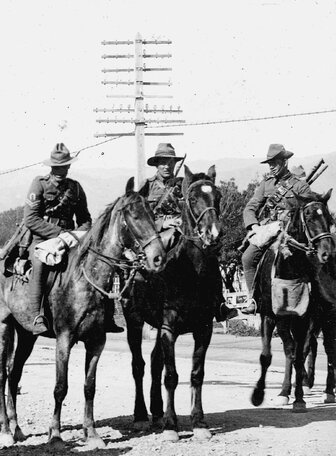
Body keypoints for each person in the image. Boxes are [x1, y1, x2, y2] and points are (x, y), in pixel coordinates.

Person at [16, 144, 121, 335]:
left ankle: (106, 314)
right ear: (51, 167)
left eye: (63, 167)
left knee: (99, 261)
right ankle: (35, 314)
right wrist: (59, 234)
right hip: (42, 239)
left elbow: (85, 219)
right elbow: (31, 219)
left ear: (69, 167)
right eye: (56, 167)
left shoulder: (76, 188)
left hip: (70, 239)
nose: (60, 171)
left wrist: (77, 234)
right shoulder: (39, 184)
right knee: (40, 263)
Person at [142, 143, 237, 322]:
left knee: (208, 255)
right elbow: (141, 218)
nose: (166, 166)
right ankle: (150, 299)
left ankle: (219, 303)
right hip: (159, 233)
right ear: (156, 164)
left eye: (169, 162)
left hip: (185, 231)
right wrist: (165, 222)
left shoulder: (183, 185)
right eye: (162, 162)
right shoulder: (147, 187)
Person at [241, 143, 323, 314]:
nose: (271, 167)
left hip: (293, 233)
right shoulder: (266, 184)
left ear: (284, 162)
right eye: (269, 163)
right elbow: (250, 207)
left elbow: (311, 211)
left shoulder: (299, 185)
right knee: (248, 258)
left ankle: (320, 299)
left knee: (316, 260)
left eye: (274, 163)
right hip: (270, 230)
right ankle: (254, 299)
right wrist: (254, 226)